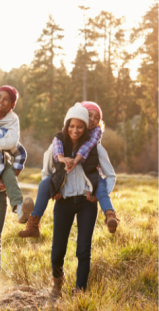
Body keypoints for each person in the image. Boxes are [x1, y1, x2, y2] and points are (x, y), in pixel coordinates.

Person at [19, 104, 116, 296]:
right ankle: (57, 284)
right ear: (66, 125)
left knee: (83, 250)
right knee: (58, 249)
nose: (75, 130)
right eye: (72, 126)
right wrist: (55, 190)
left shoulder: (95, 147)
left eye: (79, 126)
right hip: (63, 202)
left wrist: (96, 194)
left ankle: (80, 289)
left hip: (86, 203)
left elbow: (110, 175)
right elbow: (46, 173)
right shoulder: (57, 146)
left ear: (86, 125)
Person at [18, 102, 118, 238]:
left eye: (97, 117)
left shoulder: (94, 137)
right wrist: (54, 189)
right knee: (44, 184)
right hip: (64, 182)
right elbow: (48, 165)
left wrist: (75, 161)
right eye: (90, 116)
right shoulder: (61, 138)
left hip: (90, 178)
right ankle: (33, 222)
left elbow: (89, 150)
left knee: (100, 186)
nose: (93, 120)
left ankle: (110, 215)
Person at [0, 85, 34, 223]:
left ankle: (19, 208)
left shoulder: (10, 124)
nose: (1, 100)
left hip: (2, 164)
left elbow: (13, 144)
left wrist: (8, 181)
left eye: (6, 99)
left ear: (12, 105)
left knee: (9, 172)